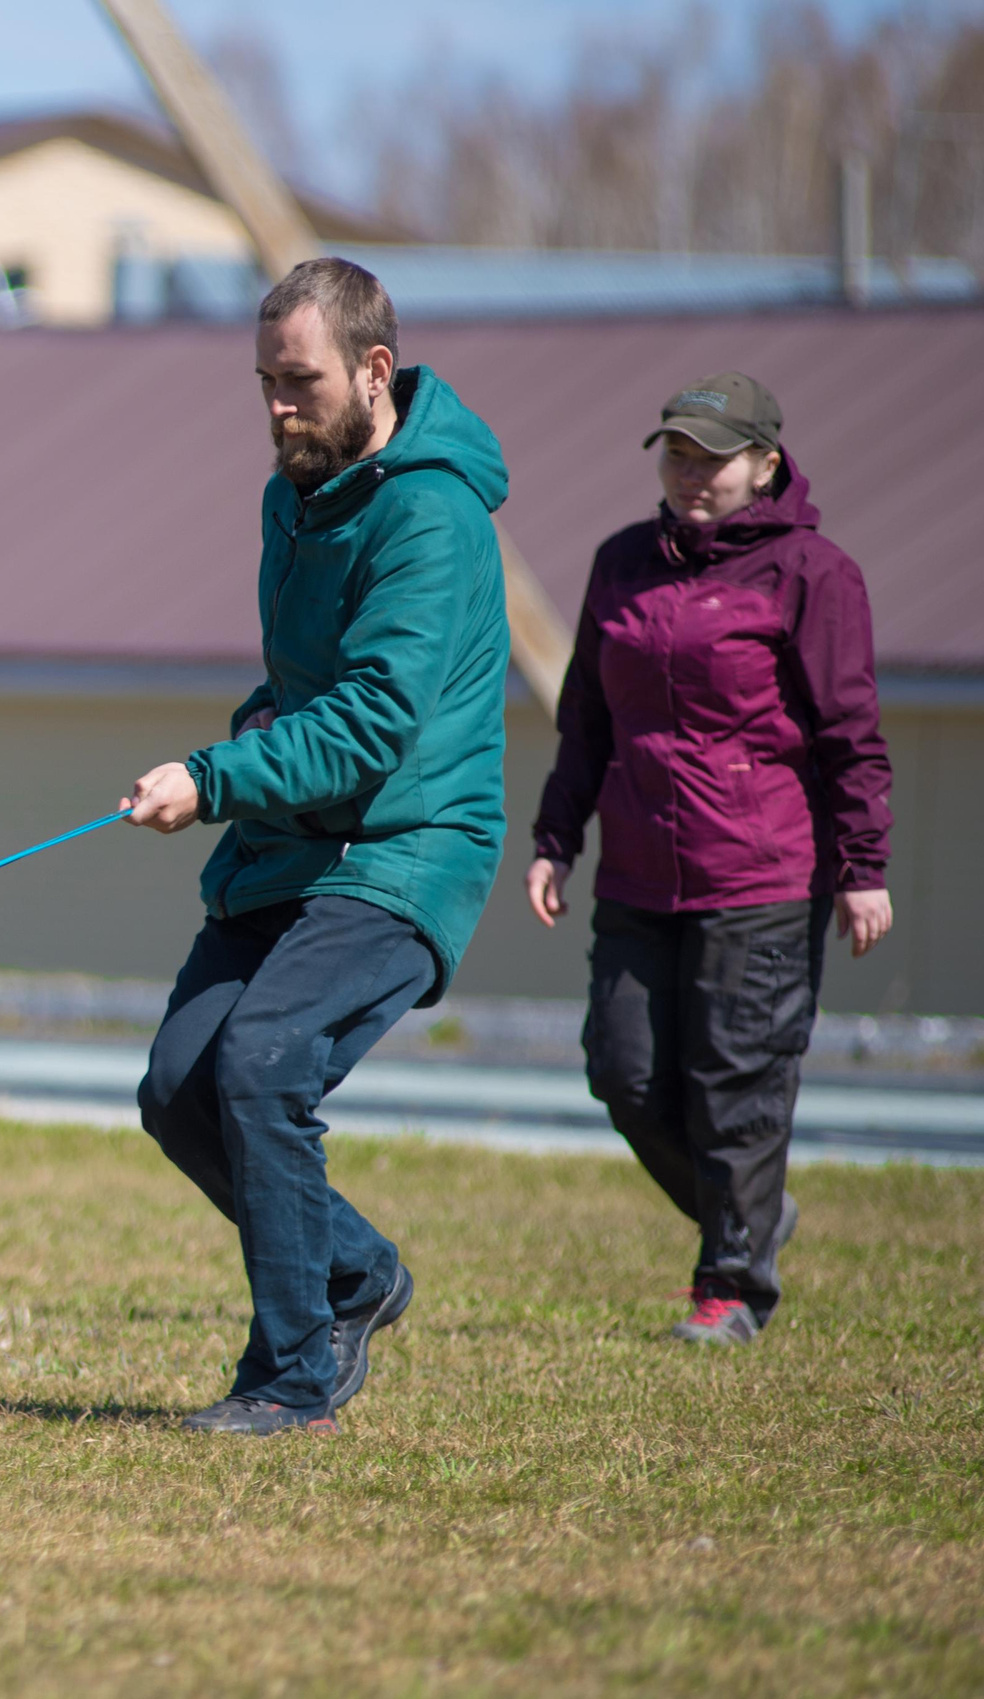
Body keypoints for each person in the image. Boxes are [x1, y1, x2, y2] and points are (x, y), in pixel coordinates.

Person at [123, 258, 511, 1435]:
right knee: (179, 1087)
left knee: (262, 1062)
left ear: (374, 370)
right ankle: (354, 1272)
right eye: (264, 382)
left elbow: (372, 721)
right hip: (295, 846)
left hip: (406, 848)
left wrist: (214, 776)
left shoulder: (429, 513)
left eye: (299, 381)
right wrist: (247, 731)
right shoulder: (289, 496)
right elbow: (304, 685)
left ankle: (293, 1378)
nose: (277, 405)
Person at [526, 372, 892, 1347]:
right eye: (677, 451)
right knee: (626, 1071)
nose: (691, 472)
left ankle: (730, 1284)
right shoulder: (621, 563)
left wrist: (862, 864)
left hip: (763, 872)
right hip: (639, 867)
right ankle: (754, 1214)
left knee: (736, 1080)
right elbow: (586, 722)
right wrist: (554, 838)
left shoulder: (812, 573)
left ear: (765, 464)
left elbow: (849, 730)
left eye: (713, 455)